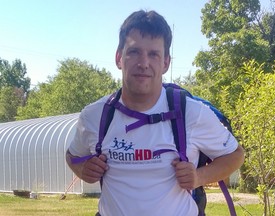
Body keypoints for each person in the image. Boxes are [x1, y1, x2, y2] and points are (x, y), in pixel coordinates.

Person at [66, 10, 245, 216]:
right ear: (119, 58)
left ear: (165, 62)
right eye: (134, 52)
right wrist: (83, 170)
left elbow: (235, 155)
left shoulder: (191, 113)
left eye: (153, 54)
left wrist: (198, 177)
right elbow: (72, 156)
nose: (143, 63)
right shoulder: (94, 116)